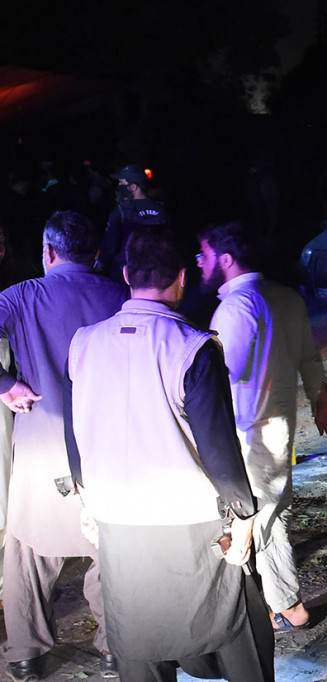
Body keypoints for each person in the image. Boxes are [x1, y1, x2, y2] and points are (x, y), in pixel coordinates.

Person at [65, 226, 273, 682]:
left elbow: (74, 431)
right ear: (181, 278)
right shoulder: (193, 347)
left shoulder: (83, 343)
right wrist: (244, 515)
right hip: (189, 519)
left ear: (125, 274)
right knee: (240, 622)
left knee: (137, 638)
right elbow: (218, 446)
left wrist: (86, 500)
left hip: (118, 518)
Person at [198, 222, 327, 633]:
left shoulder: (235, 308)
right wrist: (321, 401)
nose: (199, 261)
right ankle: (289, 606)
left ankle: (246, 616)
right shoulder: (284, 297)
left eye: (205, 254)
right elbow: (308, 357)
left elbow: (226, 375)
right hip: (279, 431)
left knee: (248, 526)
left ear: (225, 259)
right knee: (272, 518)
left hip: (250, 436)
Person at [0, 211, 127, 682]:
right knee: (109, 552)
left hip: (42, 445)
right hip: (107, 447)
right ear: (94, 253)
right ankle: (115, 648)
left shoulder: (23, 296)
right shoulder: (119, 295)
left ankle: (25, 654)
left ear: (48, 252)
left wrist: (6, 385)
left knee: (27, 553)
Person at [95, 164, 167, 279]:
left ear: (133, 187)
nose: (118, 186)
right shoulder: (161, 210)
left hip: (125, 272)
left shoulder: (121, 211)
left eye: (121, 183)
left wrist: (100, 263)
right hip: (155, 272)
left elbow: (110, 243)